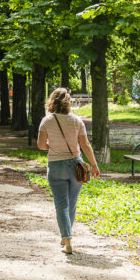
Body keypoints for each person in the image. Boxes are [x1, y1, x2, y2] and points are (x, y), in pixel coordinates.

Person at [37, 87, 101, 255]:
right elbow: (85, 144)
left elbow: (41, 145)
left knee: (61, 205)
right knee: (71, 204)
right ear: (68, 103)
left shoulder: (46, 121)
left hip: (56, 166)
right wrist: (94, 164)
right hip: (76, 166)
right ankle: (66, 235)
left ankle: (67, 239)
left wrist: (52, 145)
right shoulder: (76, 121)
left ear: (52, 102)